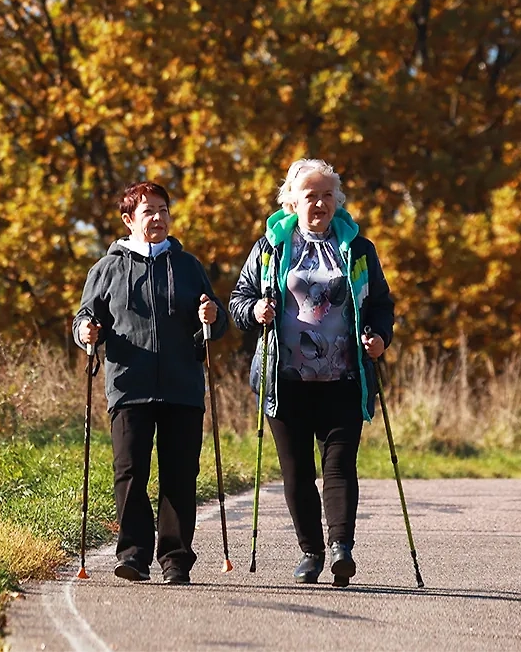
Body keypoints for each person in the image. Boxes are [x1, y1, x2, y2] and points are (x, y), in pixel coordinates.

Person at [229, 159, 394, 587]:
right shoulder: (271, 248)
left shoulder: (359, 250)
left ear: (337, 201)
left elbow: (380, 305)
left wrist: (378, 337)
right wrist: (255, 310)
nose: (319, 203)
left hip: (344, 377)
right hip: (286, 380)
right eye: (310, 196)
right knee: (297, 471)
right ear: (292, 201)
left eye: (326, 195)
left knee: (340, 466)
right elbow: (239, 300)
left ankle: (341, 548)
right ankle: (311, 552)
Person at [73, 181, 229, 585]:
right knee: (129, 472)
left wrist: (211, 317)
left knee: (179, 475)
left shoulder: (188, 266)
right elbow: (85, 317)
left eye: (163, 210)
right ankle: (133, 555)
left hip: (182, 387)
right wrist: (86, 332)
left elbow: (216, 323)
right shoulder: (106, 269)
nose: (158, 218)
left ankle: (176, 559)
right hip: (129, 384)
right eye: (148, 211)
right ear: (129, 220)